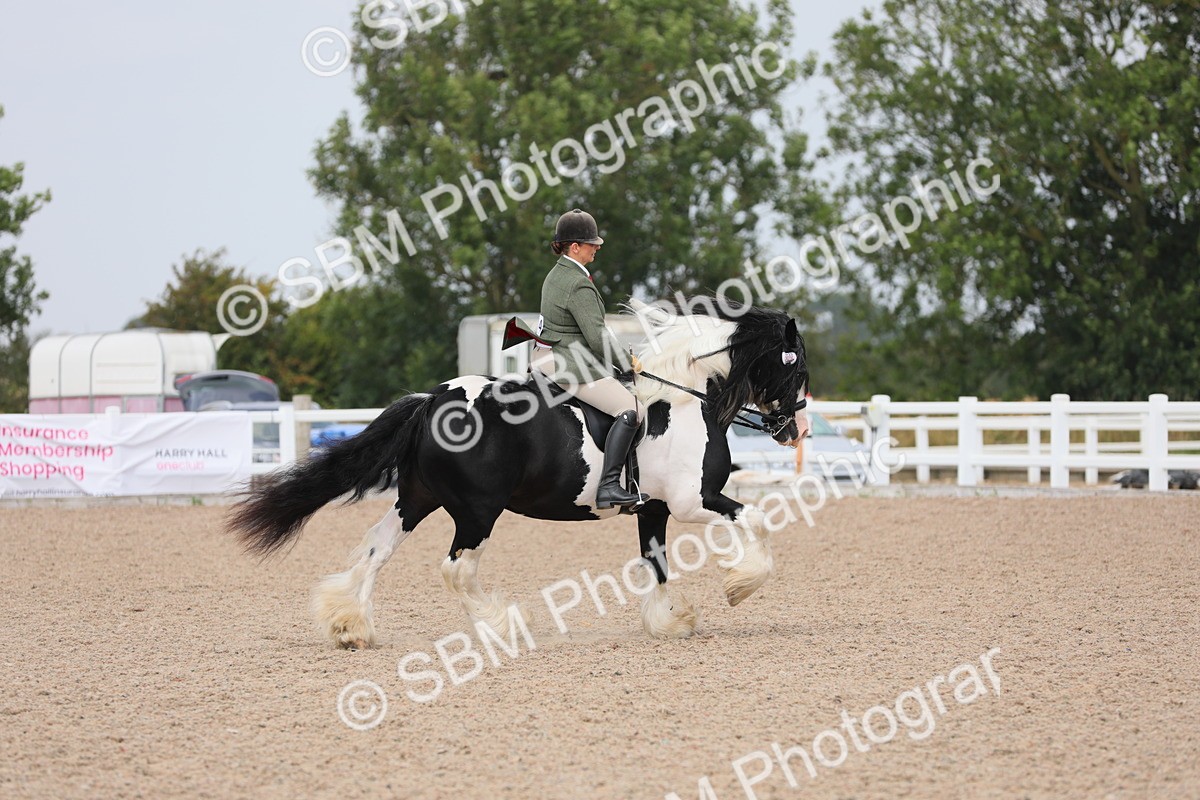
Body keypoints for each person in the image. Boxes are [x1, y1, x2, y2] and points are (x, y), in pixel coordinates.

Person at [530, 209, 648, 509]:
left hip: (547, 356)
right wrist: (626, 362)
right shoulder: (577, 283)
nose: (597, 248)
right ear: (574, 247)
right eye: (591, 244)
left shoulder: (558, 274)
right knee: (632, 408)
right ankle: (609, 486)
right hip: (567, 362)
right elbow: (596, 337)